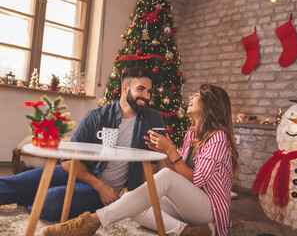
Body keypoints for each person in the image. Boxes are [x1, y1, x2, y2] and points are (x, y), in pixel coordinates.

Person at [43, 84, 240, 236]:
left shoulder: (218, 138)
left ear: (211, 104)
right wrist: (163, 153)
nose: (191, 96)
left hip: (210, 209)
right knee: (133, 202)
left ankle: (91, 223)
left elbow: (194, 181)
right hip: (190, 207)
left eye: (197, 94)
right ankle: (189, 232)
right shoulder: (191, 134)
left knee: (155, 184)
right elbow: (176, 174)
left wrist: (171, 150)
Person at [0, 67, 164, 221]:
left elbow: (150, 167)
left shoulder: (153, 119)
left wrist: (131, 201)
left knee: (52, 200)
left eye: (149, 91)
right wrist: (100, 186)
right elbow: (68, 161)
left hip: (104, 189)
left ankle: (30, 199)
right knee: (15, 182)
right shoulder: (96, 116)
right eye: (141, 89)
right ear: (125, 89)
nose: (147, 96)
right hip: (77, 173)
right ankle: (28, 196)